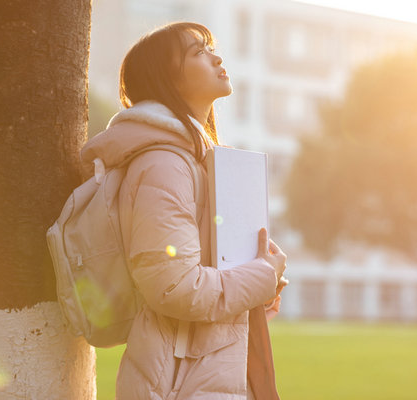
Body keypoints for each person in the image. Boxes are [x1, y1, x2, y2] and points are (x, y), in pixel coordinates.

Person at [80, 22, 288, 399]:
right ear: (168, 79)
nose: (217, 57)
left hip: (201, 375)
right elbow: (174, 288)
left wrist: (259, 284)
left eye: (211, 47)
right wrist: (260, 276)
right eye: (198, 52)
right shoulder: (164, 164)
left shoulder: (195, 161)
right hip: (177, 384)